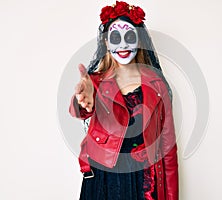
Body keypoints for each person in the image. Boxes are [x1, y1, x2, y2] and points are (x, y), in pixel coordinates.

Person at [69, 1, 178, 199]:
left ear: (139, 40)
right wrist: (82, 100)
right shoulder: (95, 83)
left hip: (142, 180)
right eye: (115, 38)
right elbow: (80, 110)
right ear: (106, 43)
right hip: (104, 179)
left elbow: (168, 149)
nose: (123, 44)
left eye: (129, 36)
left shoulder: (158, 85)